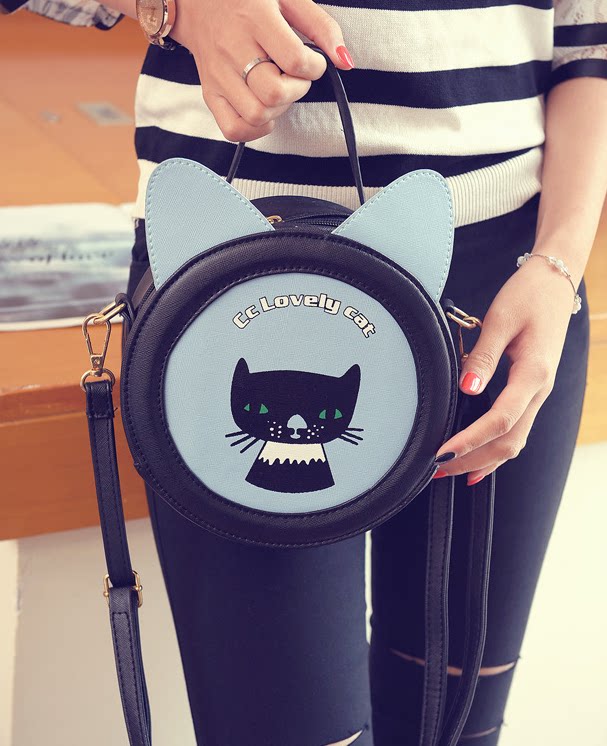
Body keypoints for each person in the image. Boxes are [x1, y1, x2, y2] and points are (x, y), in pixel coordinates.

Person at [5, 0, 606, 743]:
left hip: (506, 279)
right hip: (224, 258)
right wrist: (176, 8)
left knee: (454, 725)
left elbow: (589, 45)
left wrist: (557, 265)